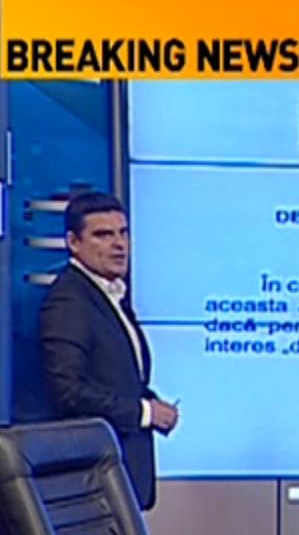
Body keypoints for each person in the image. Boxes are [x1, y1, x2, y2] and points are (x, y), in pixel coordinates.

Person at [39, 191, 178, 510]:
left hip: (122, 481)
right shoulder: (70, 301)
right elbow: (67, 392)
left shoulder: (109, 297)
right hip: (94, 487)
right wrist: (143, 413)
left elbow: (114, 378)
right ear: (73, 242)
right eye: (103, 235)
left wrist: (152, 403)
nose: (119, 244)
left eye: (123, 233)